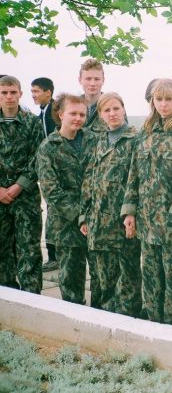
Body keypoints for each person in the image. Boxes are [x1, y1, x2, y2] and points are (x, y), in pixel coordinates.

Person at [121, 79, 172, 328]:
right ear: (152, 102)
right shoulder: (147, 129)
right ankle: (154, 326)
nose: (164, 105)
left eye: (168, 99)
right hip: (148, 221)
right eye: (159, 99)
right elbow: (134, 173)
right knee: (152, 278)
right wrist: (130, 211)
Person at [79, 93, 141, 317]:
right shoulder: (99, 141)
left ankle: (128, 324)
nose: (112, 114)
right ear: (101, 115)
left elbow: (137, 182)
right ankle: (104, 321)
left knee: (128, 280)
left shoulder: (136, 140)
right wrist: (84, 215)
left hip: (122, 222)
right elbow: (89, 179)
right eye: (107, 110)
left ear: (124, 109)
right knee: (102, 278)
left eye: (116, 108)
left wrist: (131, 214)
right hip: (98, 222)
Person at [36, 93, 97, 304]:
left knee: (100, 279)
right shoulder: (47, 147)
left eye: (82, 114)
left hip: (95, 221)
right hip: (66, 225)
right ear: (61, 114)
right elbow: (51, 191)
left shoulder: (95, 141)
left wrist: (90, 215)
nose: (78, 118)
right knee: (71, 281)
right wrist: (79, 216)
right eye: (73, 113)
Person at [0, 76, 44, 294]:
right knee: (2, 249)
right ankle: (6, 293)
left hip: (25, 196)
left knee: (29, 248)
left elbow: (38, 157)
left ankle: (32, 295)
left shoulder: (32, 123)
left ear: (20, 94)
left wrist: (19, 185)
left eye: (13, 92)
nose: (9, 97)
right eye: (4, 92)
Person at [30, 77, 59, 272]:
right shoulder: (44, 110)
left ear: (48, 92)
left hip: (54, 172)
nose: (33, 95)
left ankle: (55, 256)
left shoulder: (52, 113)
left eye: (36, 91)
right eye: (32, 91)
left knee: (54, 214)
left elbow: (49, 142)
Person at [78, 59, 107, 132]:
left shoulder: (112, 105)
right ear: (80, 80)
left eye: (97, 79)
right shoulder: (73, 106)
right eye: (88, 79)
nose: (92, 84)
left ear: (103, 80)